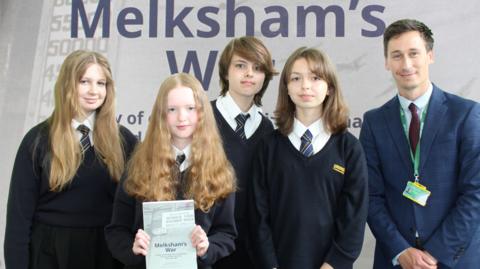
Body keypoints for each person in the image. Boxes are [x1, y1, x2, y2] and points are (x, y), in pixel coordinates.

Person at [359, 19, 480, 269]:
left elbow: (475, 193)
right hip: (396, 260)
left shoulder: (466, 115)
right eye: (396, 55)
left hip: (453, 260)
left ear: (430, 55)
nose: (406, 64)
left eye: (413, 53)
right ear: (386, 62)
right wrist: (401, 251)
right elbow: (370, 196)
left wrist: (434, 254)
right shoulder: (374, 122)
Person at [4, 50, 138, 269]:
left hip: (106, 255)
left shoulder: (124, 140)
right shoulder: (37, 141)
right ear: (68, 84)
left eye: (101, 83)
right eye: (84, 81)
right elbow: (18, 222)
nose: (94, 91)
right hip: (50, 255)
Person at [248, 47, 368, 269]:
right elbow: (257, 217)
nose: (305, 86)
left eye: (315, 78)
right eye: (296, 78)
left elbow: (354, 219)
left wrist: (333, 264)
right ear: (286, 87)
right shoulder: (268, 147)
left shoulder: (349, 148)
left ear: (329, 87)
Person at [105, 73, 237, 269]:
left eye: (190, 108)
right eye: (172, 109)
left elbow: (226, 234)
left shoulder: (219, 168)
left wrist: (208, 248)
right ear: (161, 114)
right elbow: (116, 230)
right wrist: (132, 248)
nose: (182, 117)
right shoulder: (138, 165)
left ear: (202, 113)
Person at [211, 36, 277, 269]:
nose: (249, 73)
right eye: (241, 65)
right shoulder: (201, 119)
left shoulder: (269, 130)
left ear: (265, 77)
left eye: (257, 68)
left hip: (253, 250)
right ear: (226, 72)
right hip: (208, 246)